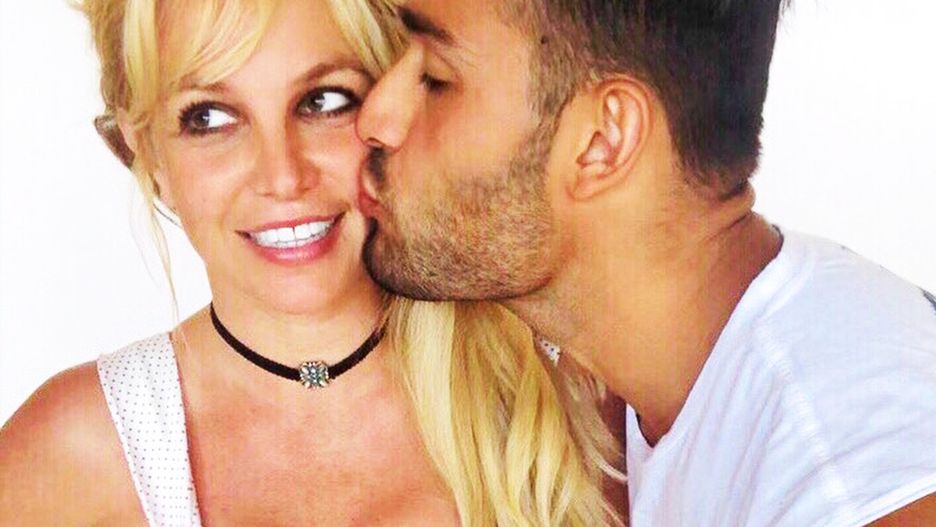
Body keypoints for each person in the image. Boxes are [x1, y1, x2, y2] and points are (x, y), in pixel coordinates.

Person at [0, 0, 623, 525]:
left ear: (394, 107)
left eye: (324, 101)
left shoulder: (574, 400)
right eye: (209, 118)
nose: (283, 176)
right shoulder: (71, 457)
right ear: (149, 156)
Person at [355, 0, 936, 525]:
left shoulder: (841, 479)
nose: (376, 118)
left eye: (436, 78)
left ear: (604, 140)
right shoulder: (672, 385)